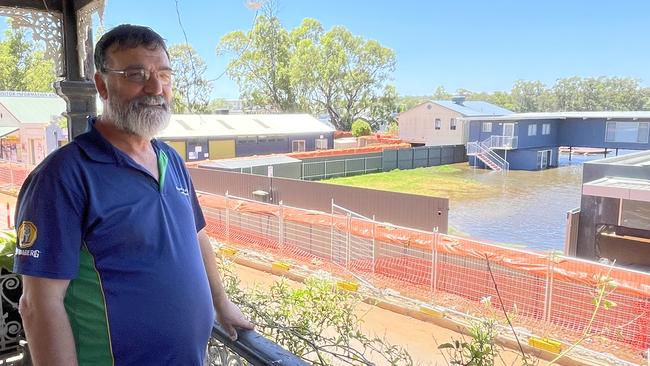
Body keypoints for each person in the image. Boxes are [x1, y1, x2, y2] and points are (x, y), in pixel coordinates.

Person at [13, 24, 254, 366]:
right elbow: (38, 305)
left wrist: (221, 302)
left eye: (164, 74)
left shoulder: (170, 159)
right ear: (102, 85)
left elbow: (196, 236)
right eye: (136, 74)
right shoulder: (62, 176)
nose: (155, 87)